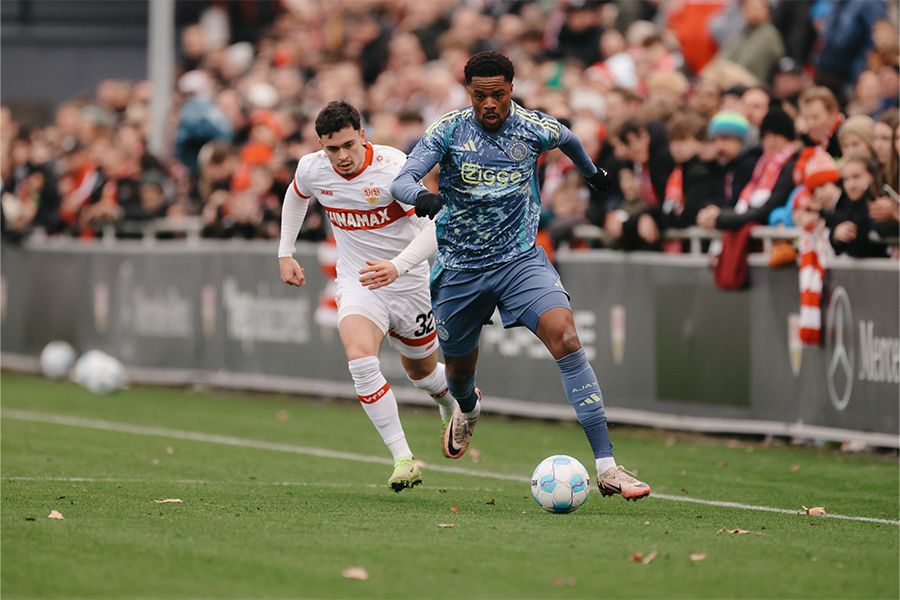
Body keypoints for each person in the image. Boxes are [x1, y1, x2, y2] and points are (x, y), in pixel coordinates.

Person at [390, 52, 651, 501]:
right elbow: (402, 179)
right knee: (458, 373)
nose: (489, 103)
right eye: (479, 96)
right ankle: (468, 409)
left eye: (497, 94)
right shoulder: (450, 129)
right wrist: (420, 195)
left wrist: (592, 174)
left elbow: (568, 138)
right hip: (460, 270)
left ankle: (608, 466)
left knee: (566, 338)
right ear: (468, 93)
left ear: (511, 88)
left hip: (519, 261)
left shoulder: (532, 127)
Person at [278, 101, 458, 492]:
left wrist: (397, 266)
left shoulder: (395, 168)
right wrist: (285, 252)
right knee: (360, 359)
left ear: (363, 135)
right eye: (332, 149)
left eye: (348, 145)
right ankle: (403, 458)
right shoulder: (312, 168)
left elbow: (433, 231)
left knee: (423, 374)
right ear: (321, 145)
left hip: (407, 282)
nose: (341, 157)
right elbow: (296, 196)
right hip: (358, 281)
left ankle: (451, 403)